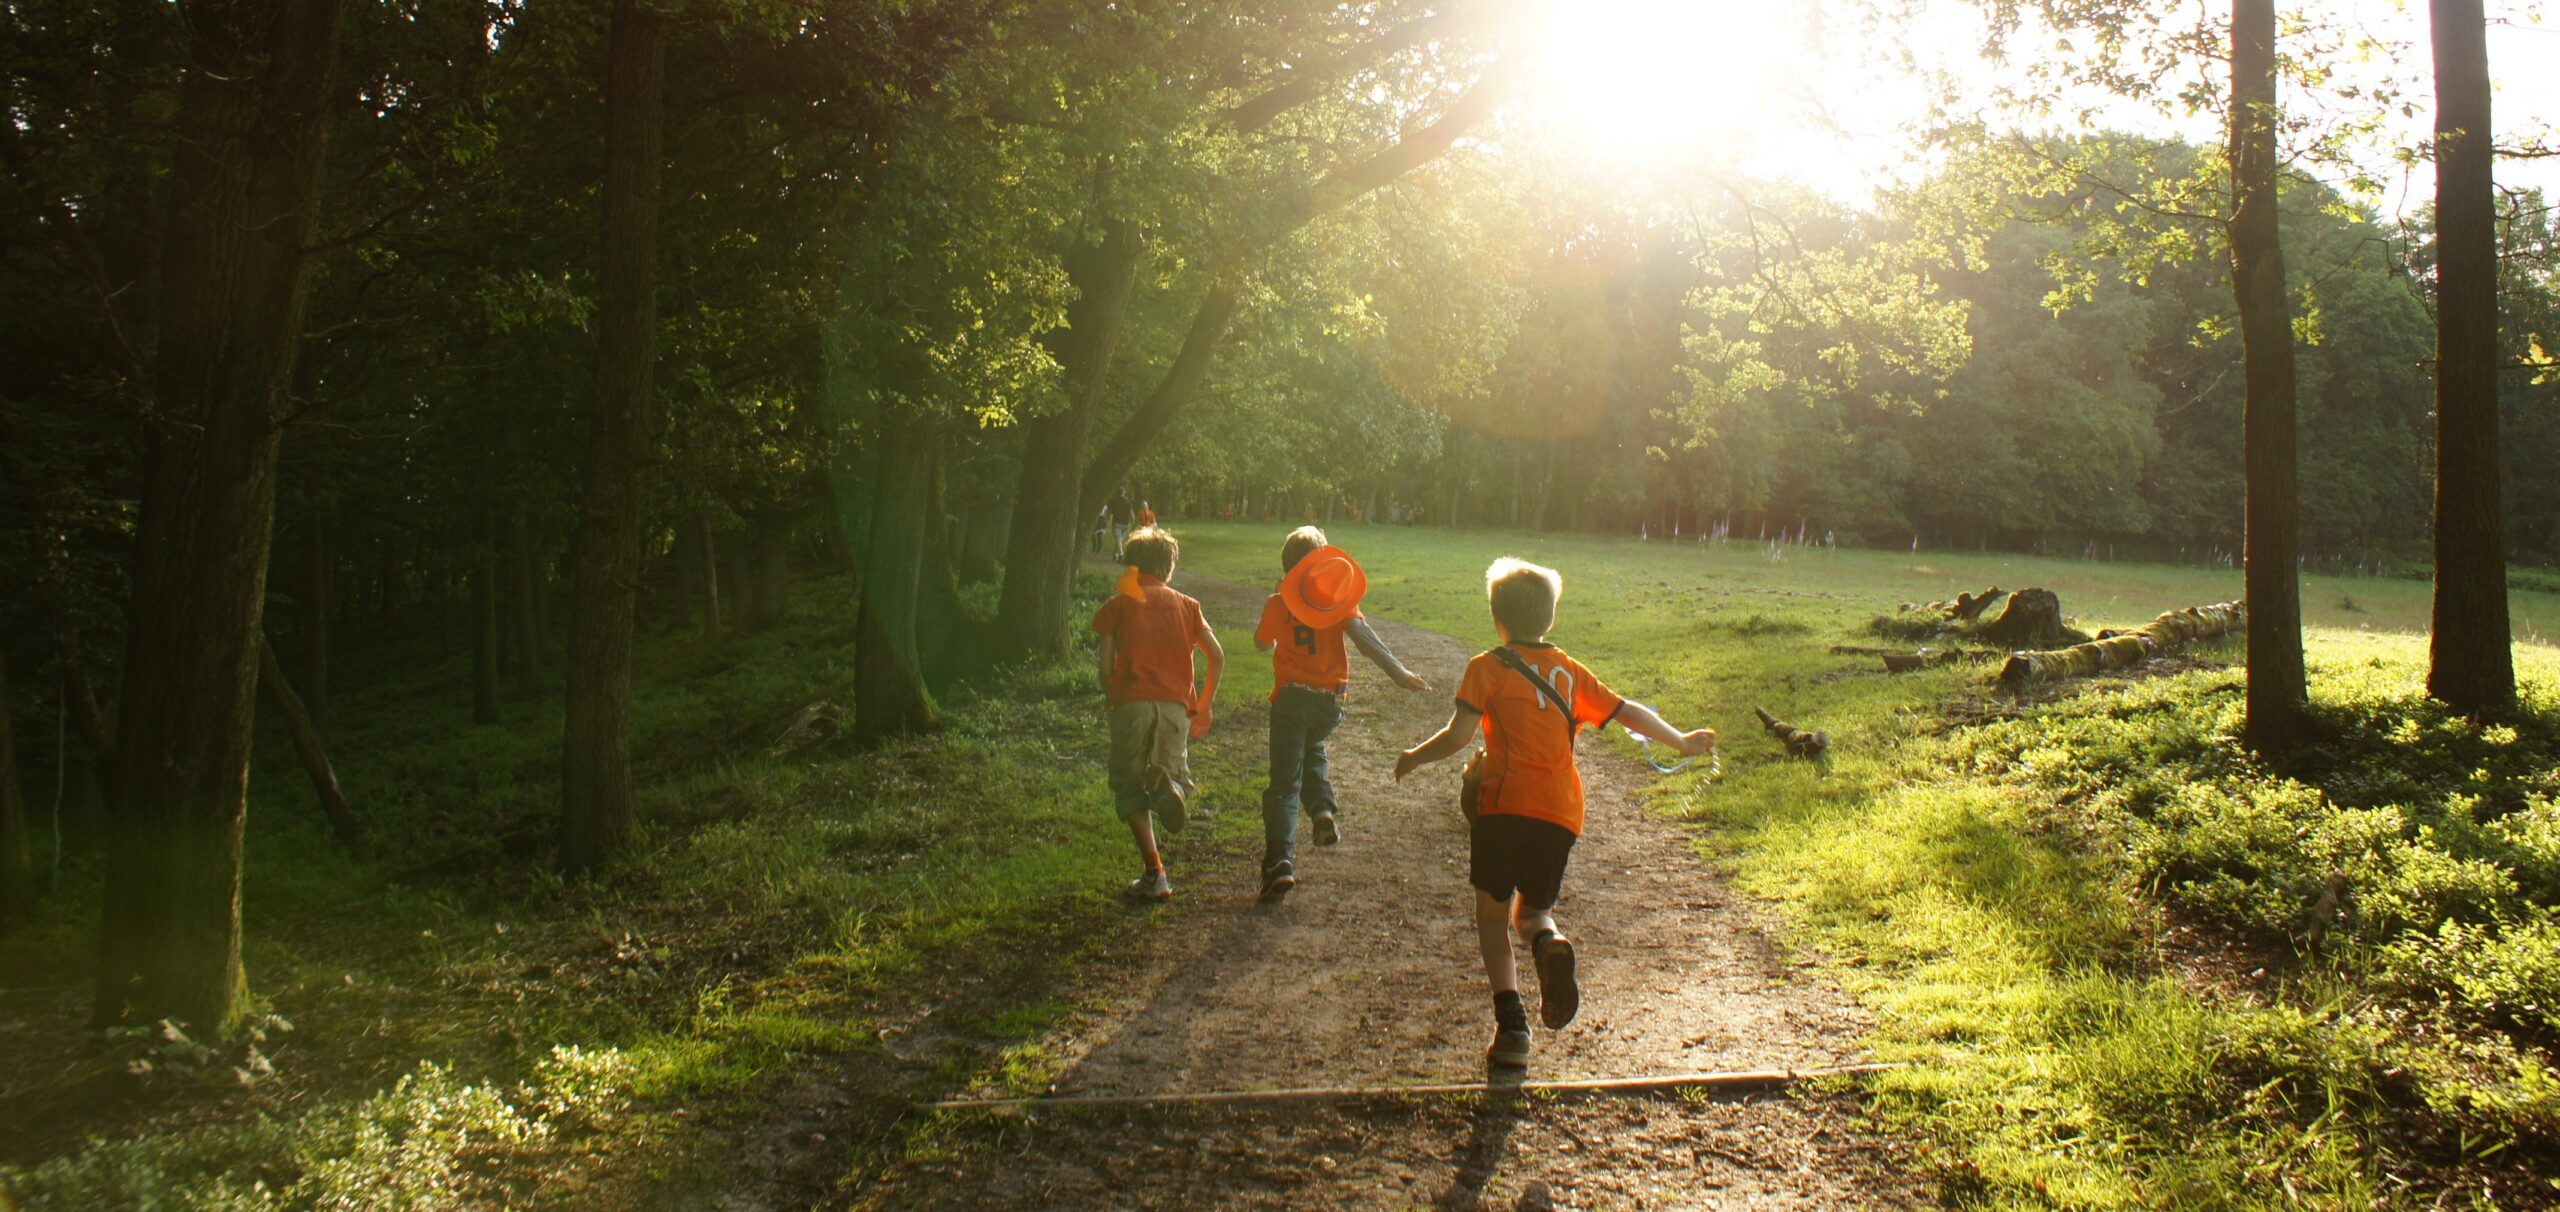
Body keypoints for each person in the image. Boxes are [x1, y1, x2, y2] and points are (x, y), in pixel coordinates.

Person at [1394, 557, 1715, 1068]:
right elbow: (1628, 710)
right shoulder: (1570, 672)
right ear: (1551, 619)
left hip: (1501, 808)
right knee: (1532, 912)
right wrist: (1680, 739)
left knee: (1493, 915)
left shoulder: (1486, 667)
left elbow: (1459, 737)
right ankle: (1548, 941)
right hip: (1560, 813)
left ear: (1498, 619)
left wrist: (1413, 756)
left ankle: (1513, 1028)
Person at [1251, 527, 1429, 899]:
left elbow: (1260, 643)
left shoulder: (1277, 602)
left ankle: (1280, 861)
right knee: (1312, 748)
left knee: (1284, 783)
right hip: (1330, 702)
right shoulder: (1338, 603)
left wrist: (1276, 635)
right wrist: (1400, 674)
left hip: (1291, 700)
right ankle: (1321, 811)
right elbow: (1366, 641)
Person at [1090, 527, 1224, 902]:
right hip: (1174, 707)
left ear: (1131, 566)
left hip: (1130, 703)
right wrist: (1205, 704)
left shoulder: (1116, 605)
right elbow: (1217, 655)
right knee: (1172, 768)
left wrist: (1112, 695)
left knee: (1130, 787)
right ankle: (1174, 788)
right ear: (1169, 566)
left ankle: (1155, 873)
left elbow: (1104, 666)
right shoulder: (1187, 605)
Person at [1108, 487, 1135, 555]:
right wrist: (1133, 521)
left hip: (1116, 523)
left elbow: (1111, 513)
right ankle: (1115, 555)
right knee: (1120, 539)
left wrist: (1109, 520)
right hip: (1125, 524)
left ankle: (1121, 554)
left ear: (1117, 493)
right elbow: (1131, 513)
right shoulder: (1128, 502)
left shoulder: (1114, 501)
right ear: (1124, 493)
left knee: (1119, 539)